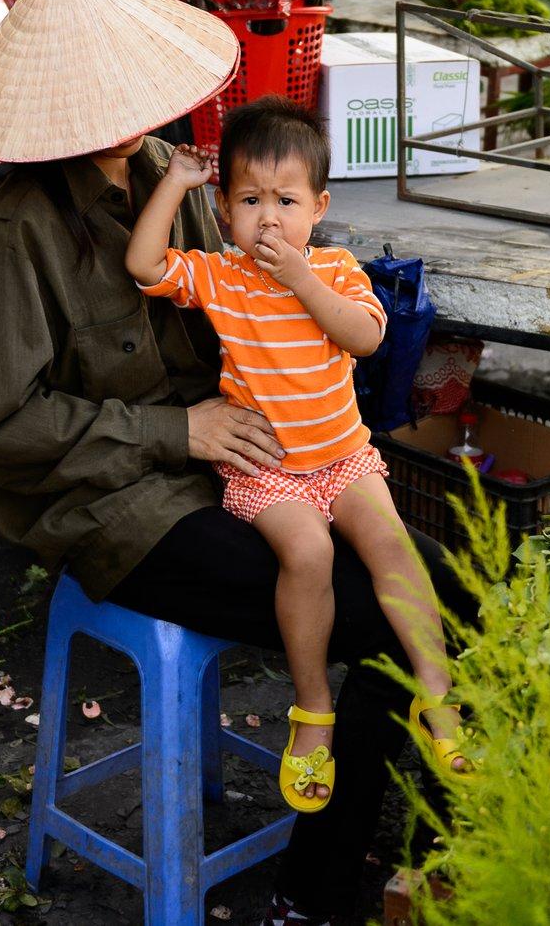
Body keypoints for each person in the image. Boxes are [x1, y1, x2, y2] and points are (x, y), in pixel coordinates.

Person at [0, 0, 472, 926]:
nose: (129, 110)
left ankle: (437, 846)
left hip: (251, 461)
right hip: (116, 507)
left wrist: (306, 303)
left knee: (450, 579)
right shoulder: (15, 233)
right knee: (380, 619)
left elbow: (252, 294)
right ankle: (312, 893)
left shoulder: (172, 175)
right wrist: (173, 428)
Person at [124, 99, 470, 813]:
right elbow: (143, 262)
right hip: (269, 470)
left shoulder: (337, 270)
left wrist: (301, 280)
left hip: (343, 457)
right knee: (307, 554)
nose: (269, 219)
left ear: (320, 206)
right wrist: (174, 179)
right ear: (225, 211)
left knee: (393, 550)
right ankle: (312, 712)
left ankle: (438, 697)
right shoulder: (222, 276)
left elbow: (367, 338)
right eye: (250, 200)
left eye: (286, 201)